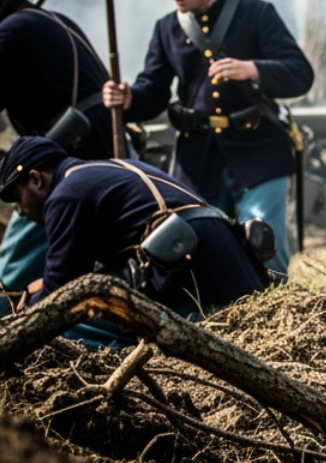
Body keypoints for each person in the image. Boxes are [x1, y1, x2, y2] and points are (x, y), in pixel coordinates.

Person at [102, 0, 313, 276]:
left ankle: (274, 306)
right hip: (198, 156)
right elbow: (153, 89)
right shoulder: (167, 28)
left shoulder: (256, 13)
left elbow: (300, 74)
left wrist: (253, 69)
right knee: (197, 247)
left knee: (264, 245)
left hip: (257, 148)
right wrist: (129, 99)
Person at [0, 136, 269, 347]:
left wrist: (26, 313)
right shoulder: (109, 168)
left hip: (197, 292)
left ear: (35, 179)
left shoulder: (65, 196)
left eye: (19, 202)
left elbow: (61, 295)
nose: (22, 212)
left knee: (67, 328)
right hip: (238, 277)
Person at [0, 0, 117, 290]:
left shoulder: (10, 32)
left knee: (13, 269)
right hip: (93, 151)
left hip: (60, 168)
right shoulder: (43, 19)